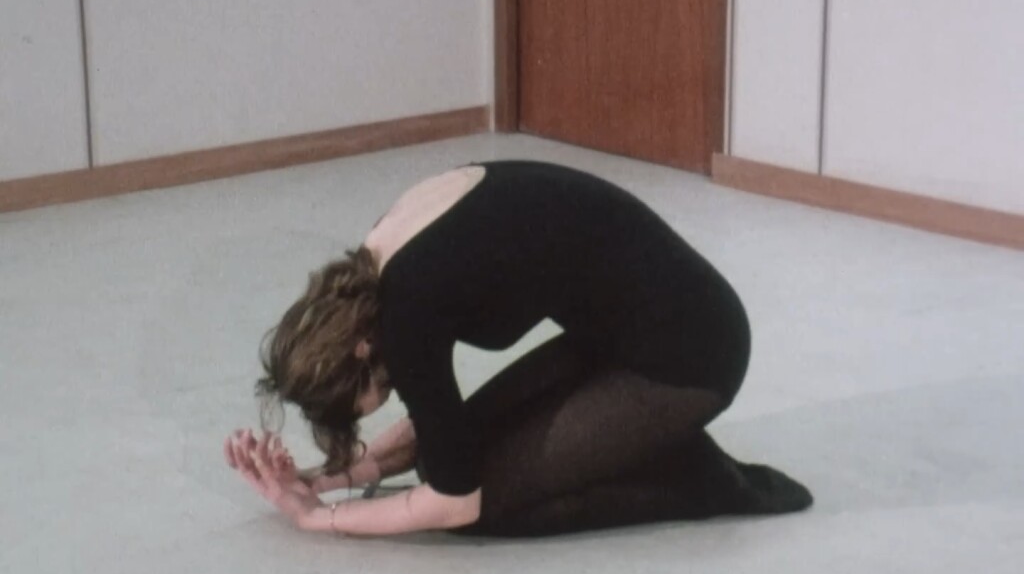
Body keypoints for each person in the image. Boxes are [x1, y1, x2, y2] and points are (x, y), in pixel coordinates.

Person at [224, 159, 812, 537]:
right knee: (446, 458)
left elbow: (455, 501)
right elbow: (441, 427)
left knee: (488, 508)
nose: (379, 402)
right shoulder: (380, 261)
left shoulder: (406, 314)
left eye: (353, 405)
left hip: (693, 355)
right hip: (616, 337)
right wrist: (325, 479)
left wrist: (322, 519)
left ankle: (696, 478)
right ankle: (637, 440)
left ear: (358, 351)